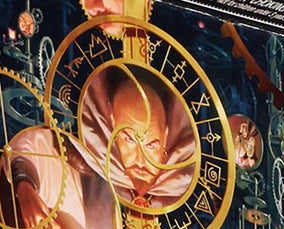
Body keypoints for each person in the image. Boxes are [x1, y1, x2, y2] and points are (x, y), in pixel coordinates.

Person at [80, 65, 197, 208]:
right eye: (129, 140)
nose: (141, 161)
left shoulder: (186, 179)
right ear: (113, 124)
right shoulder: (89, 162)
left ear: (165, 137)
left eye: (151, 145)